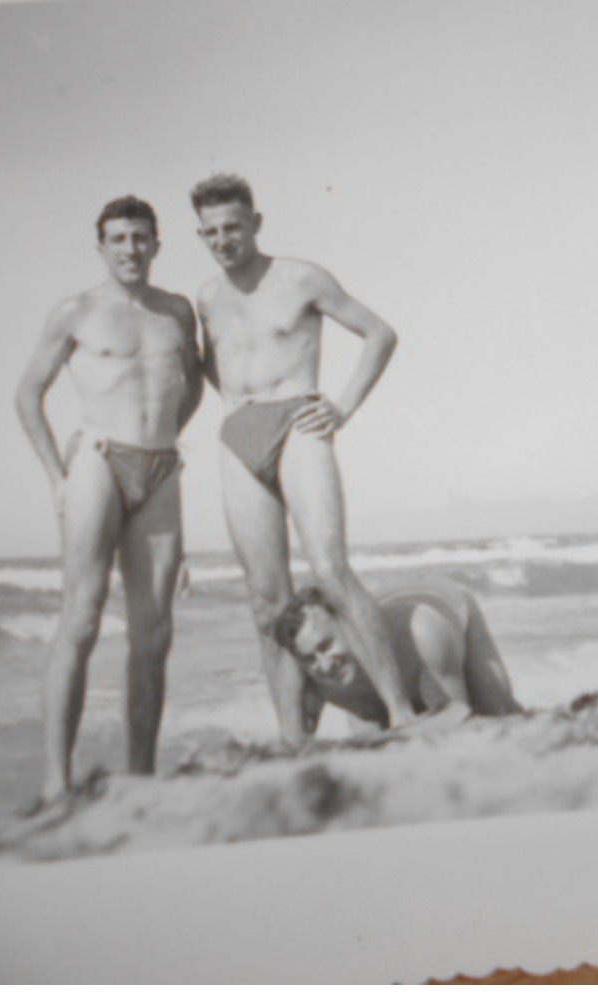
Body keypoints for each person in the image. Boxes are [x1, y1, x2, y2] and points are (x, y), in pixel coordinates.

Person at [192, 172, 418, 743]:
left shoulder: (301, 278)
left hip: (298, 421)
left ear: (256, 223)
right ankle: (295, 740)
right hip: (237, 435)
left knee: (329, 570)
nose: (224, 240)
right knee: (266, 602)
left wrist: (341, 408)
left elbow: (380, 334)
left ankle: (402, 714)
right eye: (212, 231)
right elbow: (211, 366)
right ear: (202, 234)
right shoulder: (207, 298)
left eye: (234, 227)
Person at [15, 195, 203, 804]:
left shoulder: (176, 312)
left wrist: (168, 437)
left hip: (161, 468)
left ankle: (141, 780)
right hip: (97, 459)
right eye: (118, 238)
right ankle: (55, 783)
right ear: (100, 246)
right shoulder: (75, 311)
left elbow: (193, 384)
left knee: (154, 633)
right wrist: (56, 477)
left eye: (141, 237)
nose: (131, 249)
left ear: (157, 243)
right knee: (83, 618)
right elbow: (27, 395)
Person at [273, 576, 522, 730]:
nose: (325, 665)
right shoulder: (312, 680)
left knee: (498, 713)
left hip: (438, 601)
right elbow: (296, 749)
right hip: (389, 600)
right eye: (310, 658)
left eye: (327, 645)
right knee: (370, 742)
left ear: (350, 625)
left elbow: (458, 733)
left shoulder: (423, 635)